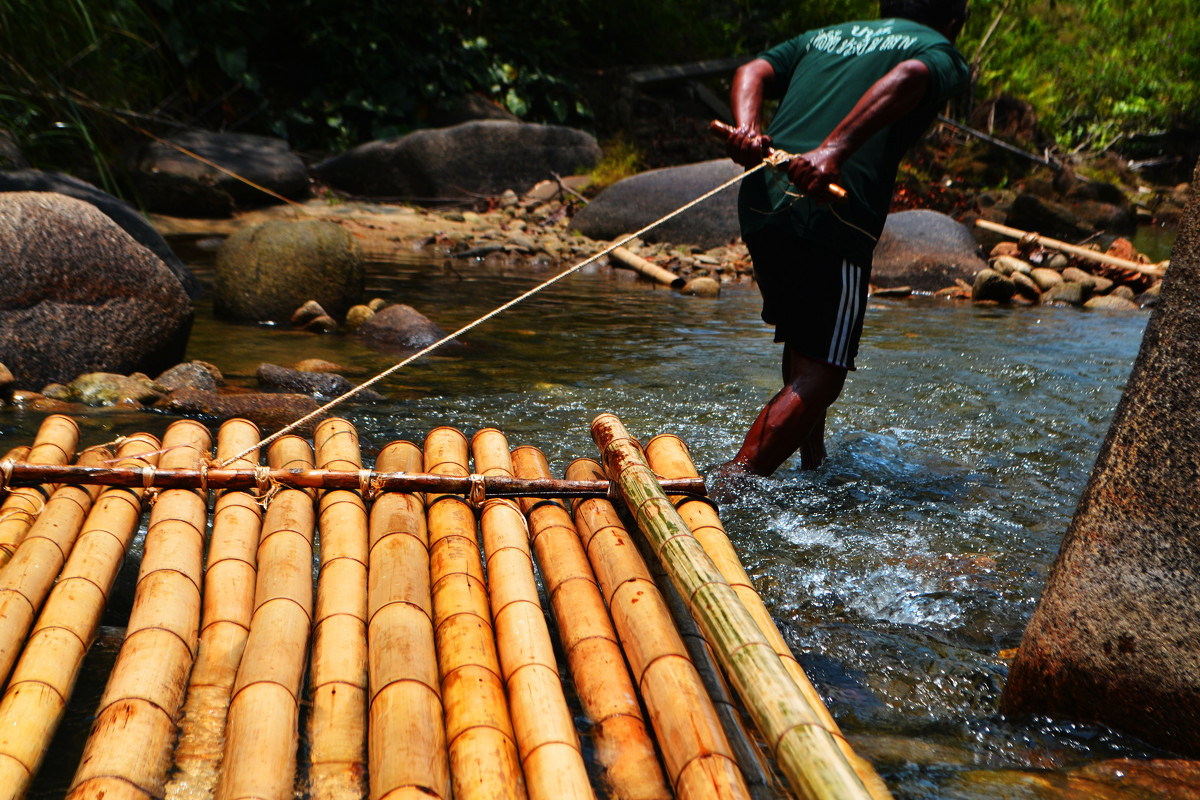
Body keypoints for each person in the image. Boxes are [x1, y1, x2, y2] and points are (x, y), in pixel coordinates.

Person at [715, 0, 970, 484]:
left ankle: (814, 466)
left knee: (806, 342)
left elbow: (753, 69)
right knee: (825, 370)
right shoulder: (938, 50)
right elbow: (912, 75)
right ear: (956, 21)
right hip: (833, 211)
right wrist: (834, 150)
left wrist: (747, 129)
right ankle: (732, 486)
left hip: (762, 199)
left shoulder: (826, 34)